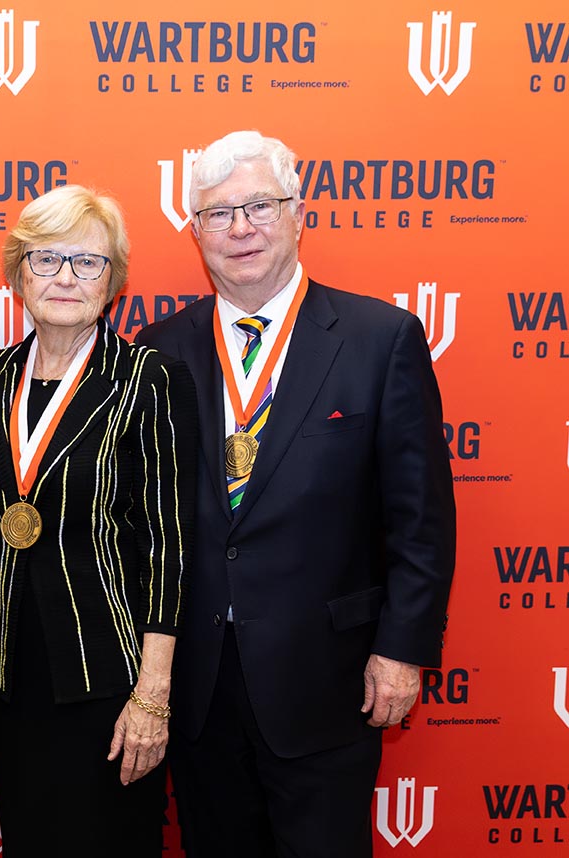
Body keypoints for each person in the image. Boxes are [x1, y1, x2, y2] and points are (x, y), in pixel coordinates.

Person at [135, 130, 456, 857]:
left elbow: (421, 519)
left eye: (259, 206)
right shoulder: (157, 351)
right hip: (199, 685)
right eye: (217, 214)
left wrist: (402, 650)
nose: (239, 228)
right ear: (194, 232)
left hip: (328, 681)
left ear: (298, 213)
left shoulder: (380, 338)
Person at [0, 184, 198, 856]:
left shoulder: (148, 378)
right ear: (17, 274)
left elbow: (167, 544)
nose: (64, 277)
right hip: (8, 677)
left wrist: (152, 695)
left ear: (113, 281)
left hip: (108, 681)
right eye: (45, 259)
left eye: (87, 262)